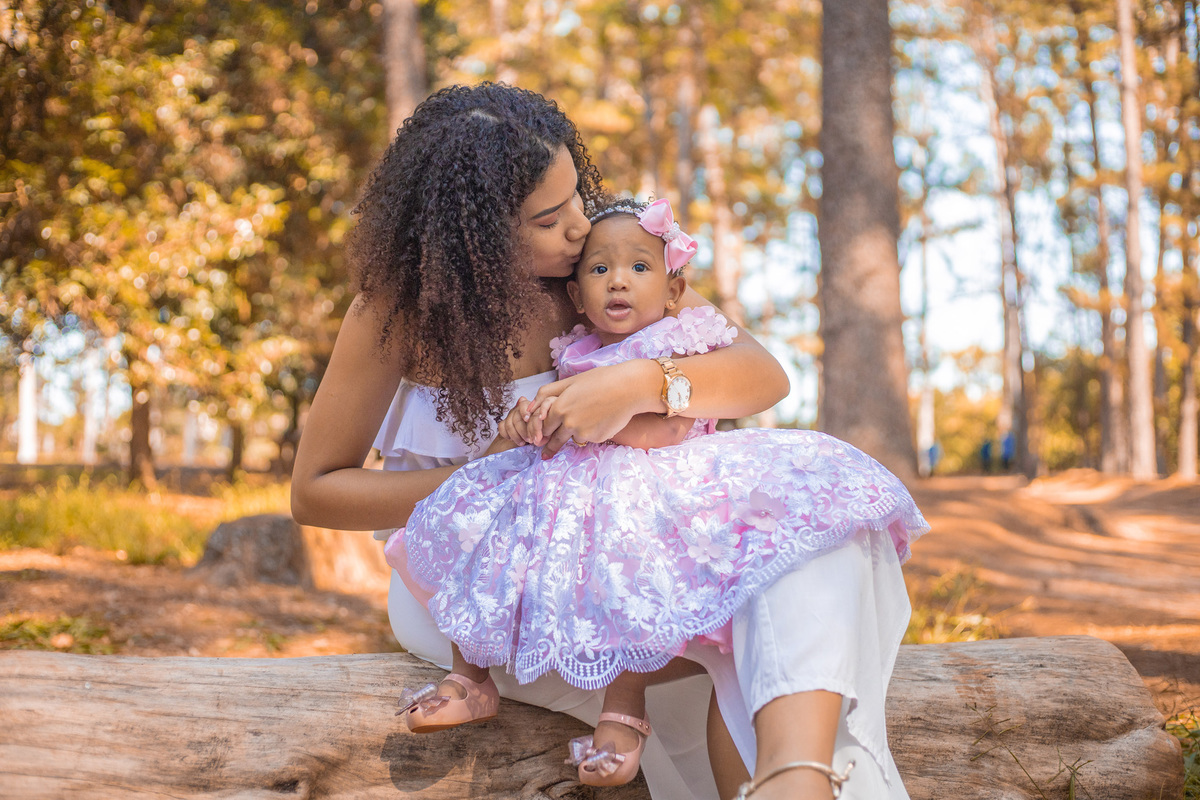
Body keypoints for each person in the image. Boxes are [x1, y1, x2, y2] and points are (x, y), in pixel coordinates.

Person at [291, 83, 912, 800]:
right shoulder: (396, 313)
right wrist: (492, 476)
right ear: (474, 237)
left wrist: (638, 385)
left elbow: (760, 375)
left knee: (807, 536)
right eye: (550, 219)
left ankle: (786, 782)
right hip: (479, 588)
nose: (581, 227)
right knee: (771, 598)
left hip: (622, 543)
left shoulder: (601, 276)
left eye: (576, 198)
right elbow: (315, 490)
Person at [385, 198, 929, 792]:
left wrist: (615, 406)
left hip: (650, 491)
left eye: (639, 268)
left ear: (673, 289)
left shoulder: (677, 336)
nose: (618, 279)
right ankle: (472, 679)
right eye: (599, 270)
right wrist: (530, 423)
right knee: (492, 550)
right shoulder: (572, 347)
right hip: (571, 495)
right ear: (576, 295)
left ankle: (631, 719)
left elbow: (681, 421)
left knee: (628, 593)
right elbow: (554, 413)